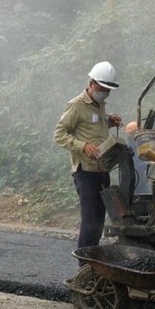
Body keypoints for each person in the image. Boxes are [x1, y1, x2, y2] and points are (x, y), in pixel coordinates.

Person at [53, 61, 122, 256]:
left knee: (99, 219)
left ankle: (94, 259)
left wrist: (109, 121)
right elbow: (59, 134)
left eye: (108, 91)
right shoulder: (76, 106)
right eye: (102, 89)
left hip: (102, 169)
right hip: (86, 172)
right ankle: (84, 264)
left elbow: (93, 129)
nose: (105, 93)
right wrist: (83, 146)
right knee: (90, 219)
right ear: (91, 83)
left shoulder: (99, 105)